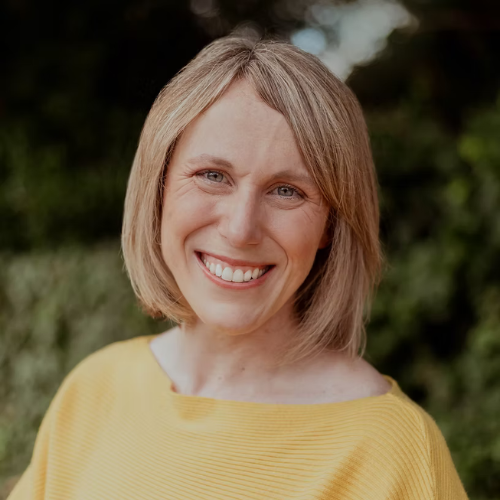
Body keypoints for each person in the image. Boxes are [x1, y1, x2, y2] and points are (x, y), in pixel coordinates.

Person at [8, 36, 469, 500]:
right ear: (159, 189)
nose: (241, 228)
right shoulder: (94, 389)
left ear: (331, 224)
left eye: (287, 190)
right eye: (213, 176)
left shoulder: (394, 452)